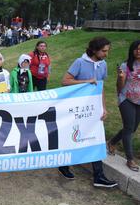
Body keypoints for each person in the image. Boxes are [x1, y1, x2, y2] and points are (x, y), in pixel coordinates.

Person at [59, 37, 118, 188]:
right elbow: (65, 81)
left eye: (107, 51)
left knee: (96, 137)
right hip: (77, 108)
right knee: (75, 136)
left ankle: (99, 176)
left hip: (93, 108)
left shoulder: (103, 64)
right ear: (94, 50)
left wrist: (103, 107)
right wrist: (85, 81)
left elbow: (101, 87)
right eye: (104, 51)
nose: (106, 54)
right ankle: (64, 165)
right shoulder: (80, 62)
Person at [107, 40, 140, 171]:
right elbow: (119, 87)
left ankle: (112, 142)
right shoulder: (126, 65)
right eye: (136, 49)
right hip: (126, 99)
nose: (138, 51)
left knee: (132, 129)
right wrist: (121, 78)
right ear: (132, 51)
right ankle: (130, 159)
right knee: (129, 127)